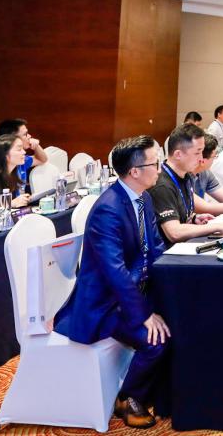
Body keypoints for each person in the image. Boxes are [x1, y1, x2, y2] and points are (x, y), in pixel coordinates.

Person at [54, 135, 168, 428]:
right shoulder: (109, 208)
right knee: (156, 340)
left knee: (181, 316)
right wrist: (143, 314)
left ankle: (165, 393)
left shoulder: (142, 197)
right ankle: (128, 398)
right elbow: (114, 272)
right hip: (106, 303)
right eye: (156, 163)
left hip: (137, 288)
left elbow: (155, 247)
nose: (160, 168)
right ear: (135, 171)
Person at [149, 124, 223, 246]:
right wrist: (216, 227)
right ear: (178, 154)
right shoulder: (162, 185)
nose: (201, 159)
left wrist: (194, 218)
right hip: (167, 253)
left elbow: (181, 214)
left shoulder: (187, 176)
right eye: (197, 153)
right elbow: (174, 233)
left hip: (184, 245)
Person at [0, 118, 50, 189]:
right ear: (10, 138)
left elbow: (42, 160)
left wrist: (36, 146)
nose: (29, 136)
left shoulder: (20, 159)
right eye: (25, 134)